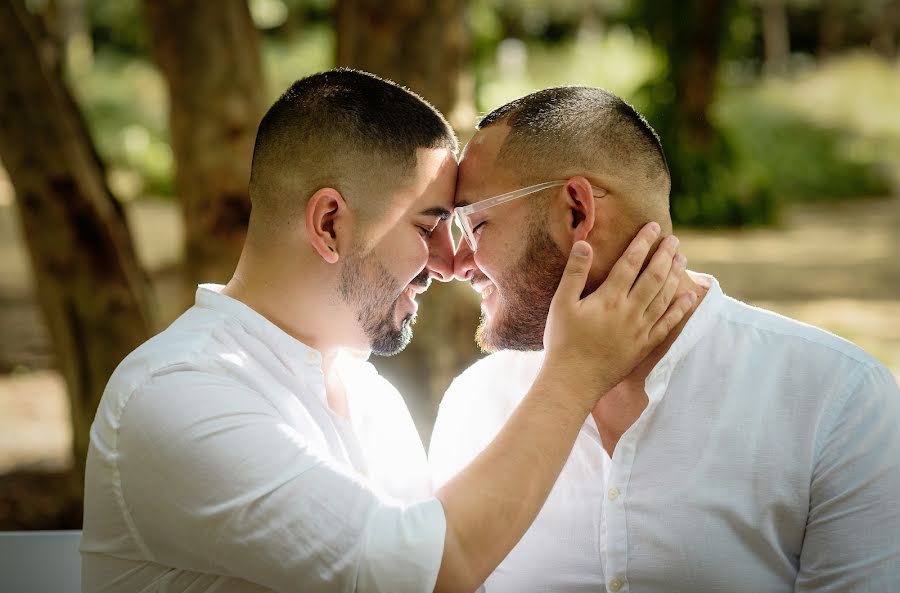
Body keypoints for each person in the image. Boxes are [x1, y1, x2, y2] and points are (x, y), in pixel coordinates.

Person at [80, 70, 694, 593]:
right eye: (429, 228)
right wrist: (575, 372)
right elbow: (429, 569)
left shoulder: (373, 397)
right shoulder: (176, 395)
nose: (452, 264)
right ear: (328, 224)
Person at [429, 86, 900, 593]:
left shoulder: (841, 400)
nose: (457, 263)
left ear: (576, 213)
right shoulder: (473, 404)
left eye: (474, 226)